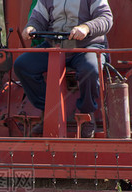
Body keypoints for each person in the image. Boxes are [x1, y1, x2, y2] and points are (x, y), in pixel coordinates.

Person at [13, 0, 113, 137]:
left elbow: (106, 18)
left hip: (87, 46)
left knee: (90, 69)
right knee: (22, 65)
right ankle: (48, 111)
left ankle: (87, 115)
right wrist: (31, 27)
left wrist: (86, 28)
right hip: (54, 46)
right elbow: (37, 18)